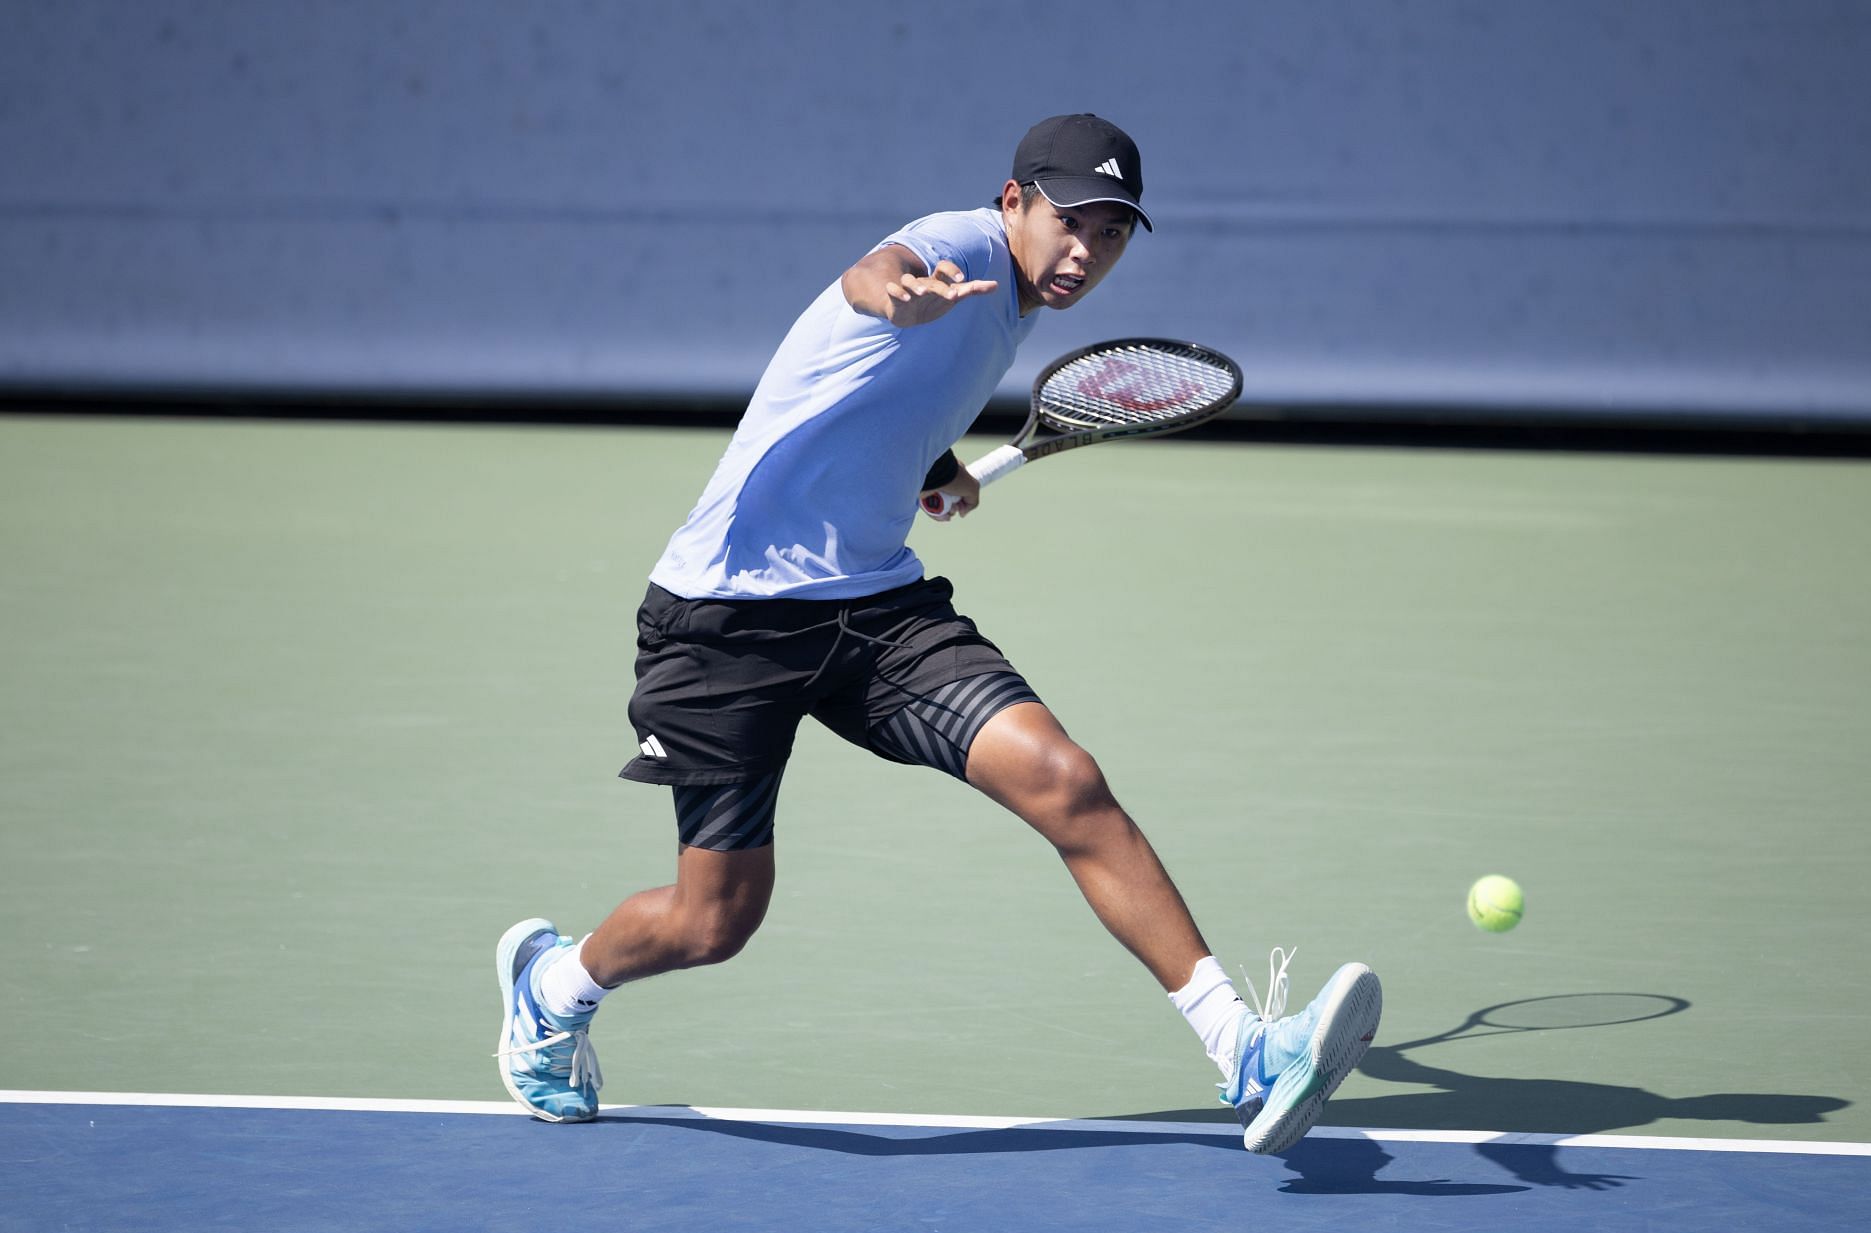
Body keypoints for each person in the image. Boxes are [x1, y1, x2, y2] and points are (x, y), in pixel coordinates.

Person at [494, 113, 1382, 1155]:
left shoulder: (1015, 305)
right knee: (714, 919)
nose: (1086, 251)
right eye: (1069, 221)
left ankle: (1246, 1052)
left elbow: (869, 394)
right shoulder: (956, 250)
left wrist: (931, 469)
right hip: (725, 620)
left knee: (1068, 779)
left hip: (874, 608)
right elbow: (883, 275)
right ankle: (552, 987)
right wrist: (897, 288)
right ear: (1015, 202)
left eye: (1113, 234)